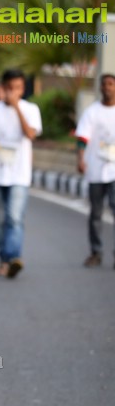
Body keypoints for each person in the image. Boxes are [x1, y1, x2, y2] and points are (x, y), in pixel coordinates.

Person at [0, 68, 42, 279]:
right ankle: (3, 259)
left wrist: (17, 109)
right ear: (2, 87)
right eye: (9, 87)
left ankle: (13, 258)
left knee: (14, 217)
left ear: (22, 89)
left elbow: (30, 134)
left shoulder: (30, 109)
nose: (13, 92)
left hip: (19, 174)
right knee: (0, 218)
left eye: (18, 88)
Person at [75, 73, 115, 268]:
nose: (107, 88)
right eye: (104, 84)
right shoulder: (92, 112)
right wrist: (81, 159)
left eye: (111, 84)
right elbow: (82, 138)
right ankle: (96, 252)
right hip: (96, 170)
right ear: (100, 88)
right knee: (96, 214)